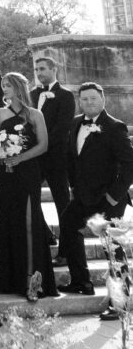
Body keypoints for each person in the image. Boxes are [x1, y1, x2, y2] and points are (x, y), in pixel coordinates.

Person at [60, 82, 133, 296]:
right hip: (83, 195)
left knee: (111, 247)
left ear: (103, 99)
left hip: (107, 198)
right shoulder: (75, 124)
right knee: (68, 224)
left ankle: (122, 299)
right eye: (84, 99)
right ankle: (81, 282)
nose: (89, 102)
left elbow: (130, 163)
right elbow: (71, 158)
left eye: (93, 98)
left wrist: (113, 196)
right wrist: (73, 185)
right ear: (79, 102)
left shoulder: (114, 126)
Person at [0, 73, 58, 300]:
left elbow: (44, 145)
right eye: (3, 86)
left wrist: (21, 158)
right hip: (5, 174)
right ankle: (11, 280)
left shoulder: (35, 114)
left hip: (28, 174)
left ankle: (33, 280)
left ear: (19, 87)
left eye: (8, 85)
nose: (4, 89)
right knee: (9, 223)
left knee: (30, 222)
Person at [29, 55, 75, 267]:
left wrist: (42, 146)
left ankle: (66, 252)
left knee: (63, 205)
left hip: (57, 158)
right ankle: (46, 234)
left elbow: (62, 129)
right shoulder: (30, 95)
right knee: (27, 198)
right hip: (34, 160)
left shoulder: (66, 96)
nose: (39, 73)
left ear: (53, 69)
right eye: (36, 69)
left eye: (42, 69)